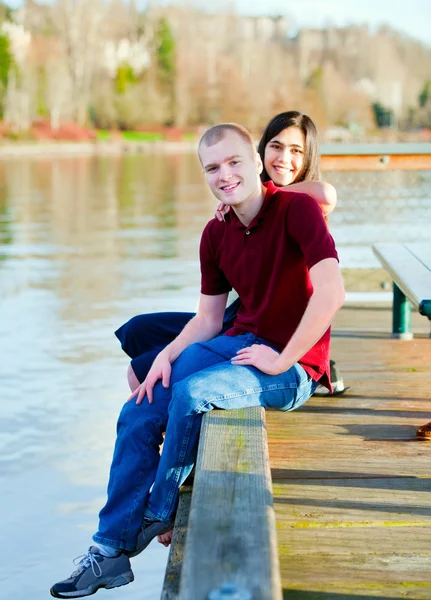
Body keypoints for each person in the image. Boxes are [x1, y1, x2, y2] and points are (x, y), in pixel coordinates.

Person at [50, 122, 344, 598]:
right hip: (239, 339)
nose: (224, 175)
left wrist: (282, 358)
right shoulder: (215, 232)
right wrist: (165, 356)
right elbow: (208, 319)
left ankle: (159, 510)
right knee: (142, 404)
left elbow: (332, 292)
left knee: (194, 391)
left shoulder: (298, 210)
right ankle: (106, 553)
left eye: (233, 162)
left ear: (255, 162)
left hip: (293, 368)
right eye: (212, 168)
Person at [116, 111, 346, 404]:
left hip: (273, 330)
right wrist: (239, 194)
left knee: (141, 370)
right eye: (276, 146)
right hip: (240, 317)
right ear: (261, 151)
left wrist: (259, 191)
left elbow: (326, 193)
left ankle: (171, 413)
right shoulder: (234, 202)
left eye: (296, 150)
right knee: (138, 331)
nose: (283, 158)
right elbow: (208, 314)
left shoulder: (305, 205)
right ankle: (162, 412)